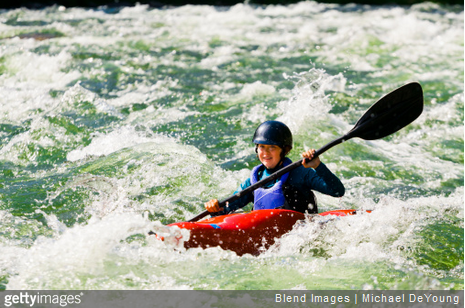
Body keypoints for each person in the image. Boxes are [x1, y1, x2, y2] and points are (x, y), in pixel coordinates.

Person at [205, 120, 345, 215]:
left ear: (284, 150)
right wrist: (215, 208)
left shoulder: (301, 173)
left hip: (300, 233)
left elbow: (337, 191)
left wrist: (318, 166)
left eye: (272, 147)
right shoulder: (254, 180)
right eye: (261, 147)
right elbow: (227, 209)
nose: (265, 153)